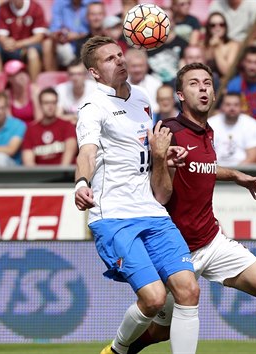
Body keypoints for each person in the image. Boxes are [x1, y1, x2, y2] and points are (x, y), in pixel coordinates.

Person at [126, 62, 256, 354]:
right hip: (173, 250)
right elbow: (160, 194)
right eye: (193, 83)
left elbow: (202, 167)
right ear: (180, 94)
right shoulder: (169, 131)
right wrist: (160, 158)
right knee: (159, 332)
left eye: (207, 83)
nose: (202, 88)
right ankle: (121, 351)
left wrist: (234, 175)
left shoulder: (209, 131)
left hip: (211, 242)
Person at [74, 36, 199, 354]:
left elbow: (144, 151)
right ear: (95, 72)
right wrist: (81, 183)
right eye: (108, 59)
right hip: (115, 216)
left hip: (152, 211)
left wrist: (165, 156)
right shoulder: (92, 108)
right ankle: (116, 351)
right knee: (154, 298)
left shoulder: (143, 98)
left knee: (188, 290)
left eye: (120, 54)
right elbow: (86, 153)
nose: (119, 60)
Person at [0, 0, 50, 81]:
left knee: (32, 53)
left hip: (29, 45)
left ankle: (34, 85)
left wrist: (18, 44)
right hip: (10, 47)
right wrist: (6, 42)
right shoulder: (3, 9)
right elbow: (1, 35)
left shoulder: (35, 7)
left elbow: (39, 37)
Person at [22, 87, 77, 166]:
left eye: (53, 102)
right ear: (40, 104)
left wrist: (60, 175)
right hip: (41, 177)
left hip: (65, 176)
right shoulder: (31, 129)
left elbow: (69, 154)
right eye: (46, 103)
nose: (50, 106)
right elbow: (28, 163)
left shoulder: (67, 125)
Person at [208, 93, 256, 166]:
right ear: (222, 106)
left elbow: (252, 157)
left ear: (241, 107)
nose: (232, 108)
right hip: (215, 170)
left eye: (236, 105)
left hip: (244, 171)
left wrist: (235, 173)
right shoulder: (210, 124)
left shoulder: (251, 124)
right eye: (228, 104)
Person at [55, 58, 97, 123]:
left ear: (85, 75)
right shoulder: (61, 89)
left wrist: (74, 118)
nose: (75, 78)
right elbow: (57, 116)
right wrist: (74, 118)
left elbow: (98, 115)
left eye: (79, 74)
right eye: (72, 74)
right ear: (68, 76)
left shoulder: (95, 88)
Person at [202, 12, 240, 80]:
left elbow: (227, 71)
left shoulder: (233, 45)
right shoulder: (202, 45)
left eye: (221, 25)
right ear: (208, 28)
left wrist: (217, 47)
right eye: (213, 25)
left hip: (226, 84)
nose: (217, 28)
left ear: (225, 27)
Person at [4, 59, 41, 124]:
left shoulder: (35, 91)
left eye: (23, 71)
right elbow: (9, 123)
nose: (22, 75)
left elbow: (39, 119)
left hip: (34, 130)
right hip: (15, 131)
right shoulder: (6, 95)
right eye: (17, 73)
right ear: (9, 78)